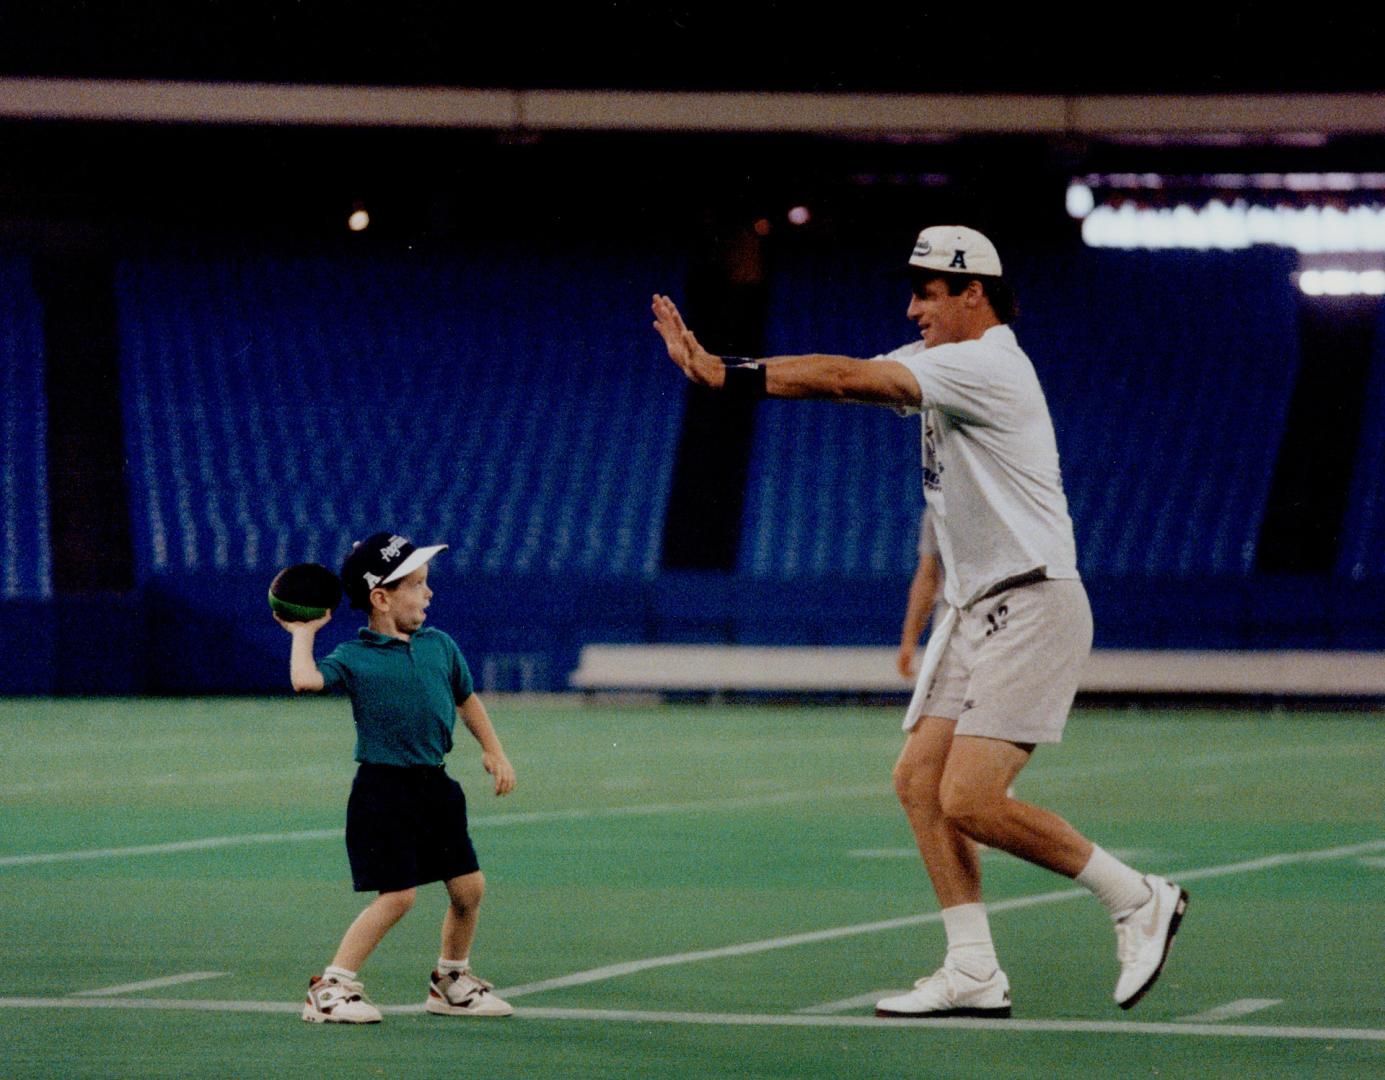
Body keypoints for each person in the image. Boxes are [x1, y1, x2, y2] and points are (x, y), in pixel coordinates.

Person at [651, 225, 1187, 1018]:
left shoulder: (985, 364)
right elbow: (842, 378)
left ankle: (1135, 896)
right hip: (977, 607)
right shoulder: (944, 362)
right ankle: (972, 968)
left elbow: (842, 377)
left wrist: (725, 373)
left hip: (1032, 598)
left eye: (926, 293)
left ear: (973, 293)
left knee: (969, 799)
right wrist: (732, 375)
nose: (911, 309)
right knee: (918, 783)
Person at [276, 531, 517, 1024]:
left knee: (468, 889)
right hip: (384, 793)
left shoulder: (440, 646)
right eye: (418, 584)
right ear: (381, 598)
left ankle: (450, 981)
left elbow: (466, 700)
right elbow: (305, 680)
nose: (429, 593)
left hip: (436, 787)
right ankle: (331, 987)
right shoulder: (354, 656)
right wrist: (304, 634)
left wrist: (494, 751)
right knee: (399, 895)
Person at [898, 508, 943, 680]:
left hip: (1000, 607)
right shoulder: (936, 509)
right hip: (951, 615)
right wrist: (909, 640)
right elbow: (928, 576)